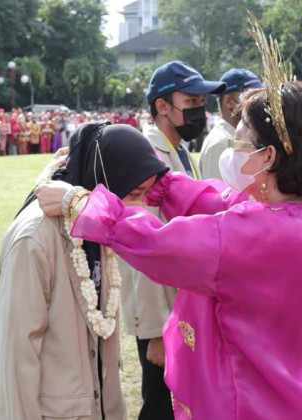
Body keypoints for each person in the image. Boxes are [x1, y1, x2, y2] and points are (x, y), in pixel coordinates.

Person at [37, 77, 302, 420]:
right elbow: (214, 200)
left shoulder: (255, 234)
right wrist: (159, 181)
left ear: (268, 156)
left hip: (246, 398)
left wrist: (77, 204)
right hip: (282, 383)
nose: (232, 150)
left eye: (239, 142)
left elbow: (158, 244)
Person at [0, 123, 169, 420]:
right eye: (134, 193)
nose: (140, 207)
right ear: (104, 180)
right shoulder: (35, 238)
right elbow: (16, 358)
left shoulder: (99, 226)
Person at [117, 60, 225, 420]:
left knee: (183, 401)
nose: (200, 110)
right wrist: (154, 331)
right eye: (191, 101)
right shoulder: (146, 155)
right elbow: (142, 247)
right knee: (161, 405)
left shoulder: (178, 150)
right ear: (162, 106)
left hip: (181, 304)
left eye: (201, 102)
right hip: (161, 313)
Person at [199, 68, 263, 180]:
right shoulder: (220, 143)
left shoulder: (237, 139)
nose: (259, 103)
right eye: (252, 98)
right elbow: (218, 195)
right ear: (229, 102)